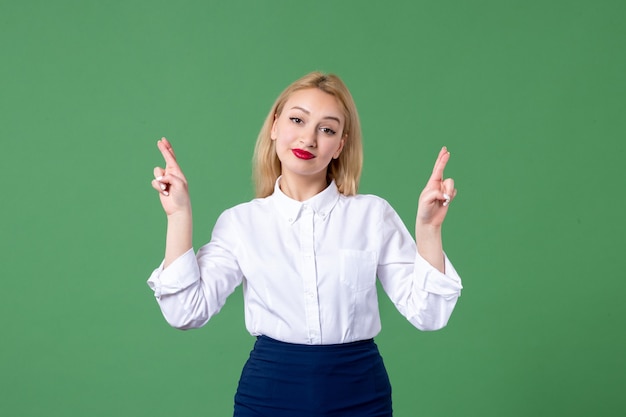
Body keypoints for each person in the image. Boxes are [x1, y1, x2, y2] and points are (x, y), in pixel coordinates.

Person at [147, 71, 463, 417]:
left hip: (360, 393)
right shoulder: (241, 223)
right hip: (269, 393)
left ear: (340, 145)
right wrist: (178, 215)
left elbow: (429, 314)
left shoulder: (372, 215)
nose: (309, 138)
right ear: (275, 126)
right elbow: (186, 311)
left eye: (326, 129)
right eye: (297, 120)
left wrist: (429, 230)